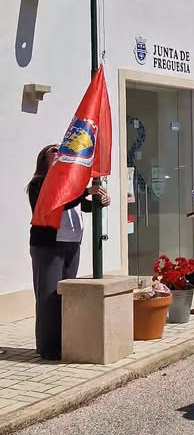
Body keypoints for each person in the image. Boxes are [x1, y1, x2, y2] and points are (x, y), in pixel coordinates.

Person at [27, 144, 110, 360]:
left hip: (72, 243)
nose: (58, 151)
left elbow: (81, 205)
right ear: (43, 159)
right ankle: (47, 348)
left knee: (66, 296)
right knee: (48, 297)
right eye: (53, 150)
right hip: (48, 246)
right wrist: (84, 191)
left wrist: (99, 201)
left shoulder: (70, 184)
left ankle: (63, 342)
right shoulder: (38, 184)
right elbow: (55, 204)